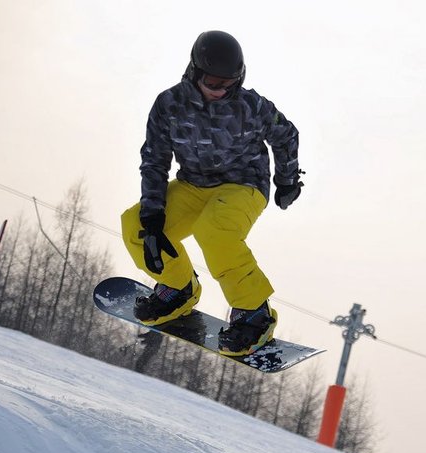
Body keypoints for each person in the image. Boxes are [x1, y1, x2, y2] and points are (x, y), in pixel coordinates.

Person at [121, 30, 303, 356]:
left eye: (228, 83)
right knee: (136, 225)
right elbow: (154, 160)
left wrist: (287, 180)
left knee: (214, 232)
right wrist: (152, 213)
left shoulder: (250, 106)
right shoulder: (169, 105)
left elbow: (286, 134)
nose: (220, 90)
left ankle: (253, 313)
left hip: (243, 185)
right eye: (213, 82)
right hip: (193, 184)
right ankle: (178, 289)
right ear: (194, 72)